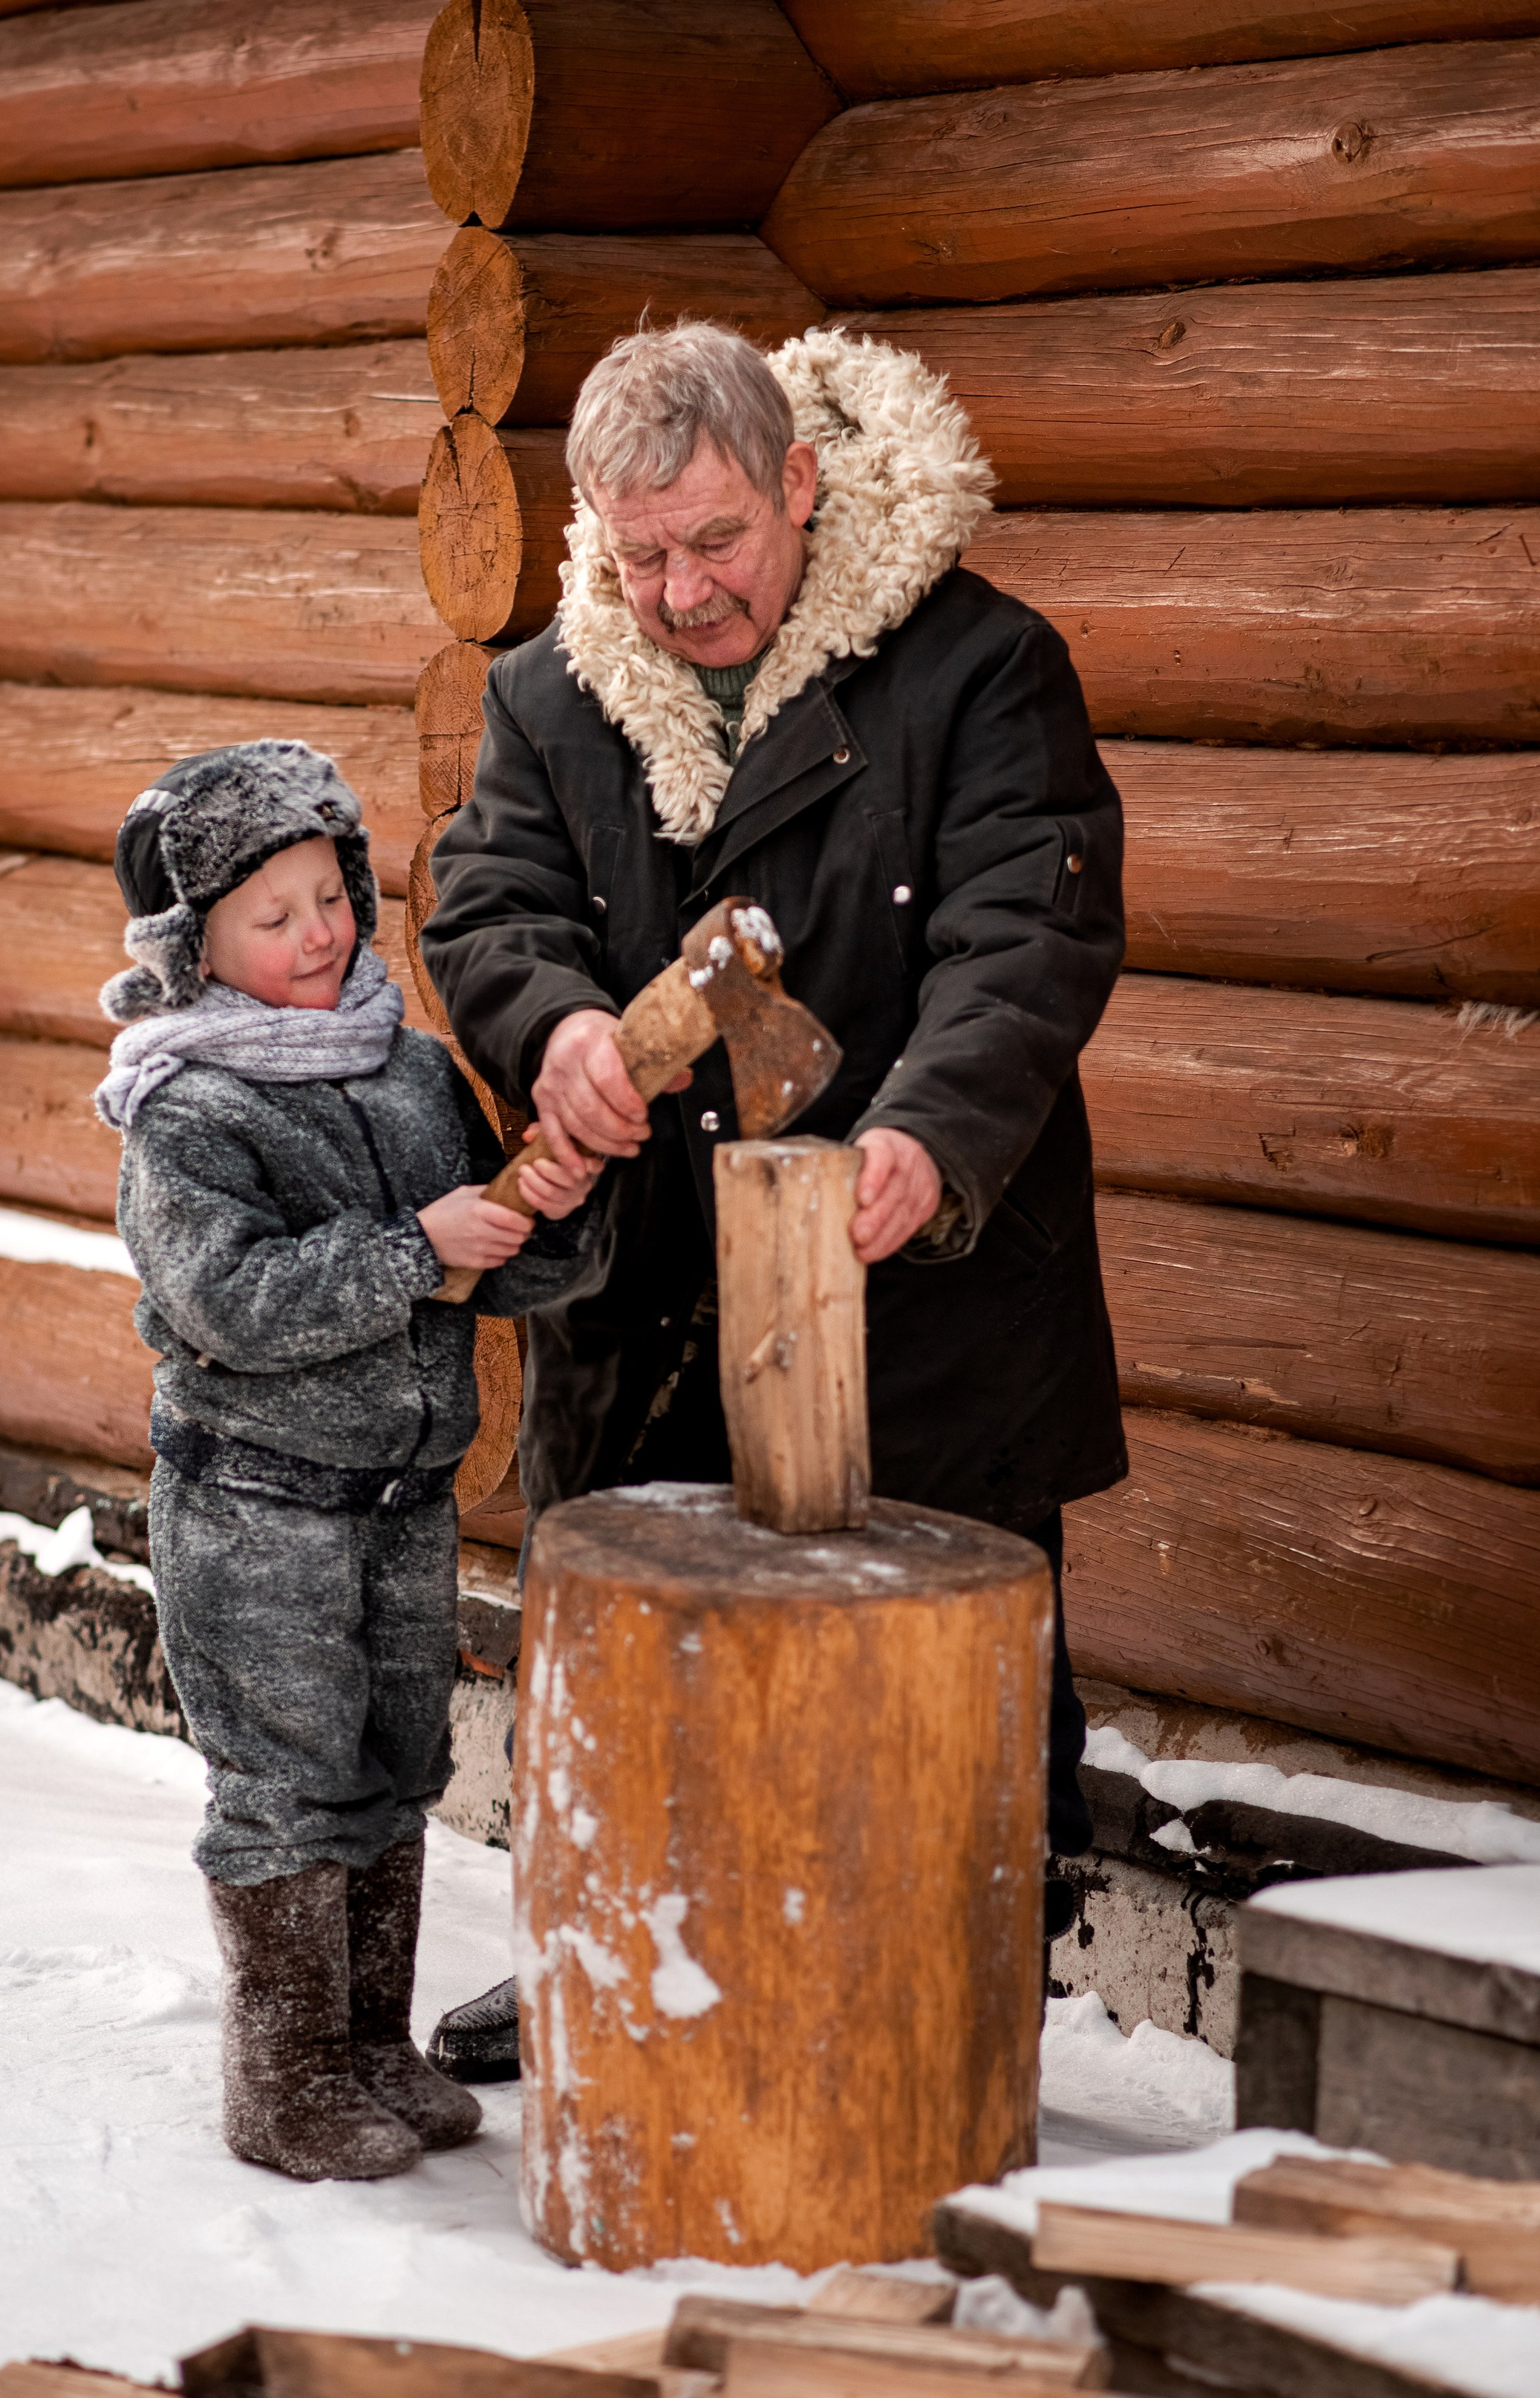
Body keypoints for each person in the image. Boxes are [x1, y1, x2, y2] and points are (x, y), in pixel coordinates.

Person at [420, 322, 1129, 2084]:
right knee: (637, 1641)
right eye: (637, 551)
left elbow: (1020, 934)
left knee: (923, 1660)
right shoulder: (542, 693)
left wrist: (930, 1137)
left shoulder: (977, 667)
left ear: (800, 484)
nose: (675, 592)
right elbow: (487, 903)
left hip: (920, 1277)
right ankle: (606, 1947)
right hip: (649, 1272)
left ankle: (944, 1994)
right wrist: (557, 1022)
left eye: (714, 541)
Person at [94, 740, 602, 2179]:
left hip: (400, 1506)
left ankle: (369, 2045)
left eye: (332, 896)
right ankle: (284, 2077)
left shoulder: (407, 1070)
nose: (319, 933)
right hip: (255, 1513)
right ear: (197, 952)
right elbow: (232, 1306)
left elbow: (472, 1261)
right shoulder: (185, 1112)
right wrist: (412, 1251)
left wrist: (535, 1208)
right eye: (274, 916)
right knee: (284, 1780)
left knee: (392, 1764)